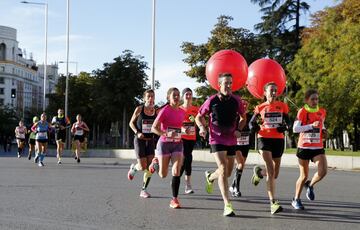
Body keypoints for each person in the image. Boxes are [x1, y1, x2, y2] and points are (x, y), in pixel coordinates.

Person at [195, 73, 246, 217]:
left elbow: (243, 118)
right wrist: (202, 128)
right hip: (216, 138)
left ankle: (210, 177)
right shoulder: (212, 100)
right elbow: (199, 117)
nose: (228, 85)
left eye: (230, 82)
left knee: (227, 172)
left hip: (231, 139)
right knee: (223, 168)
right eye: (226, 83)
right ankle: (227, 205)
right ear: (219, 85)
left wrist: (239, 129)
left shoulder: (237, 101)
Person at [249, 82, 291, 214]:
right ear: (265, 93)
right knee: (271, 170)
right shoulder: (260, 107)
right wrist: (253, 128)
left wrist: (284, 127)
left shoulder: (282, 106)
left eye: (275, 90)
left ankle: (259, 173)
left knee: (275, 174)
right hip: (264, 139)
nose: (273, 92)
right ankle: (273, 203)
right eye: (271, 90)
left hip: (278, 140)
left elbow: (289, 121)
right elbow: (251, 122)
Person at [150, 87, 187, 209]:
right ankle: (155, 163)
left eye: (178, 95)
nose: (176, 97)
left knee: (176, 171)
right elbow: (153, 128)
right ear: (168, 98)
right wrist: (166, 134)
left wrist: (184, 129)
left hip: (177, 143)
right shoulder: (165, 110)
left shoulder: (182, 111)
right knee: (163, 175)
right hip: (164, 144)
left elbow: (179, 126)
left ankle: (174, 199)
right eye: (174, 95)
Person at [291, 89, 327, 210]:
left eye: (317, 99)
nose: (315, 101)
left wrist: (324, 131)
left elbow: (322, 124)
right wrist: (311, 126)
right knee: (303, 176)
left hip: (317, 147)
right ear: (306, 100)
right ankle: (296, 199)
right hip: (304, 147)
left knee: (323, 172)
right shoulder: (302, 111)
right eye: (312, 99)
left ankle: (310, 185)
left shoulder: (322, 111)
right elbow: (295, 129)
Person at [128, 89, 157, 198]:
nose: (150, 98)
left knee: (150, 167)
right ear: (144, 98)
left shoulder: (156, 111)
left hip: (150, 141)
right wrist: (137, 132)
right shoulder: (139, 109)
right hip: (139, 140)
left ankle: (143, 190)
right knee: (142, 166)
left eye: (152, 96)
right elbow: (131, 123)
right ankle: (134, 169)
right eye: (148, 96)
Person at [229, 99, 250, 197]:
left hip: (246, 144)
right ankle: (236, 187)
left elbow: (253, 127)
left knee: (241, 165)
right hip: (236, 144)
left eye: (246, 104)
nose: (245, 106)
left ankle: (233, 185)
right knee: (240, 163)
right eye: (243, 104)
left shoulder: (250, 116)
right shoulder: (235, 116)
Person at [179, 88, 199, 194]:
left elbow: (198, 121)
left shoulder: (195, 109)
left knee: (186, 160)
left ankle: (177, 178)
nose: (188, 96)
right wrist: (183, 129)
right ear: (183, 96)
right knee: (187, 158)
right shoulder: (179, 109)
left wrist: (203, 129)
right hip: (181, 138)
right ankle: (187, 184)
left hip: (191, 138)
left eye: (190, 94)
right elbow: (175, 123)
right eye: (186, 94)